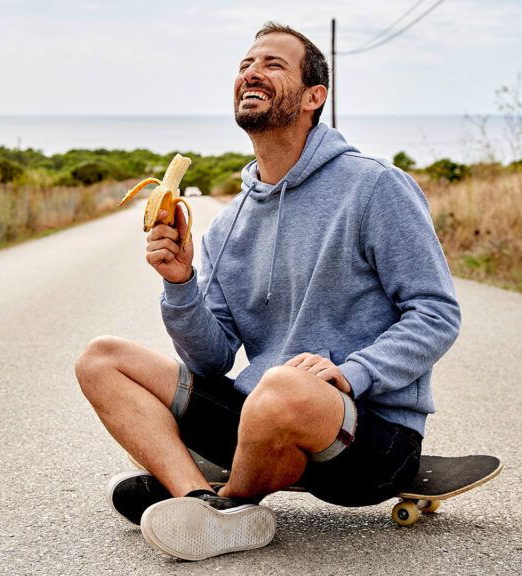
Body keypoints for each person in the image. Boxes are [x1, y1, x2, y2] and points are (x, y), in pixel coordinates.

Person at [75, 22, 460, 561]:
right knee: (101, 358)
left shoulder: (374, 187)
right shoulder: (229, 223)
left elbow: (437, 313)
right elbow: (211, 359)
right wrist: (181, 283)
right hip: (260, 415)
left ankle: (228, 502)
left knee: (283, 386)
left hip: (367, 436)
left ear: (313, 97)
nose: (251, 73)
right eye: (244, 66)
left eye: (273, 65)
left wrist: (352, 373)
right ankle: (198, 502)